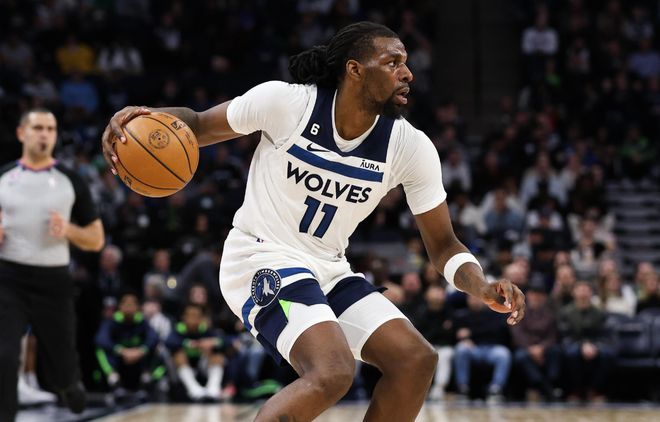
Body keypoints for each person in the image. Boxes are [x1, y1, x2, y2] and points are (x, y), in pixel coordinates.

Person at [102, 22, 525, 421]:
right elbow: (195, 125)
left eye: (406, 62)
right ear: (355, 70)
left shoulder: (409, 147)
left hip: (328, 268)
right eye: (393, 62)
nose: (407, 73)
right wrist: (138, 119)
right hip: (260, 256)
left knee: (414, 360)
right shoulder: (287, 103)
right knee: (332, 371)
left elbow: (444, 245)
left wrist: (481, 284)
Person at [0, 108, 105, 421]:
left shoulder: (70, 181)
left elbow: (96, 239)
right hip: (8, 277)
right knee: (4, 355)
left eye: (50, 128)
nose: (44, 134)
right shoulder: (4, 178)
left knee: (61, 364)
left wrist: (69, 230)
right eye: (38, 128)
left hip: (54, 280)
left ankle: (68, 384)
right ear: (22, 133)